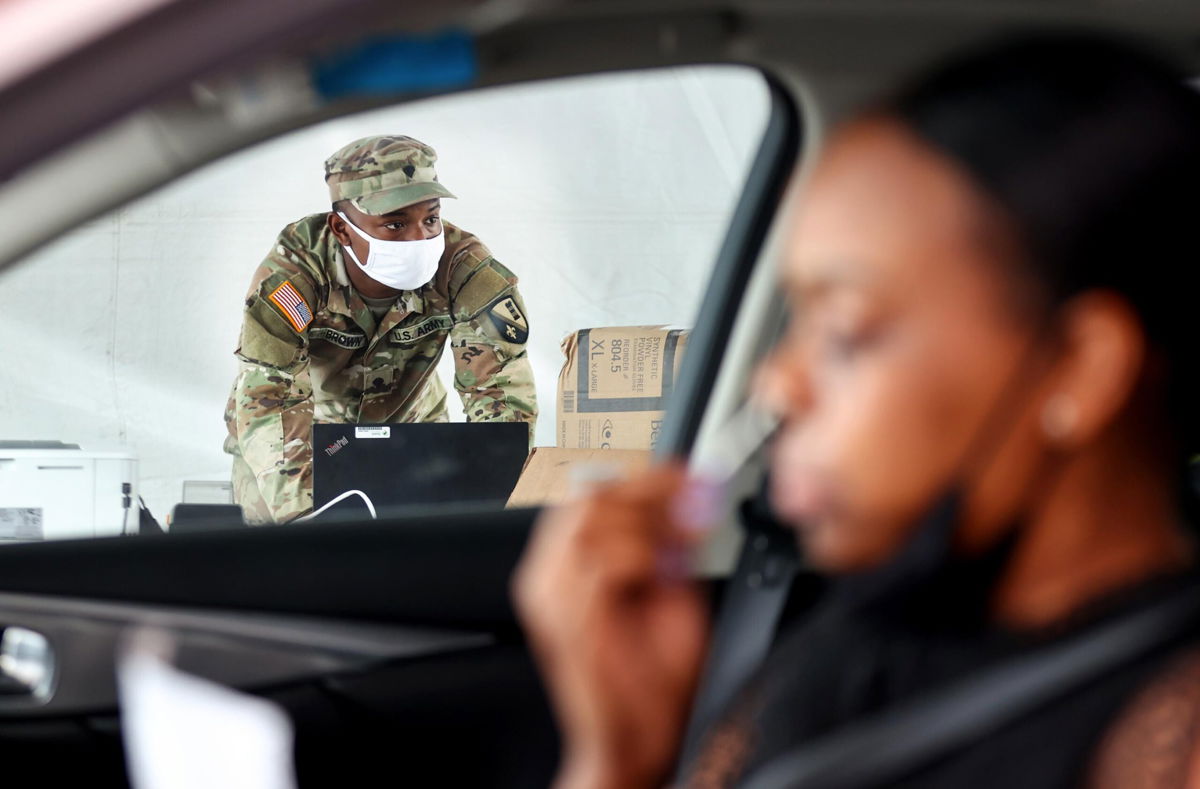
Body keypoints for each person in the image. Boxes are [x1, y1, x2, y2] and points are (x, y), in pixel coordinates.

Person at [514, 35, 1200, 788]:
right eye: (794, 321)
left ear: (1080, 367)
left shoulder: (1171, 740)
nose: (778, 385)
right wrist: (617, 756)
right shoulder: (840, 652)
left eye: (845, 333)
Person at [224, 135, 537, 523]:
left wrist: (503, 505)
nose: (419, 237)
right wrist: (301, 513)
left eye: (431, 218)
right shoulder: (294, 275)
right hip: (300, 440)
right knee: (283, 558)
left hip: (413, 429)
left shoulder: (465, 269)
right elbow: (270, 392)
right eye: (394, 223)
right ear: (341, 229)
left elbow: (500, 391)